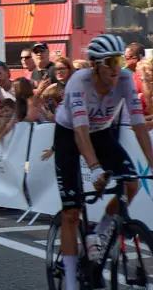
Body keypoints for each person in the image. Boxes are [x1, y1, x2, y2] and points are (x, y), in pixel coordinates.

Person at [53, 34, 153, 290]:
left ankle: (99, 232)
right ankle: (72, 281)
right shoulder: (79, 82)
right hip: (70, 133)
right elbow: (80, 132)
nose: (116, 67)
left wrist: (152, 163)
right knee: (72, 212)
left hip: (102, 133)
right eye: (110, 61)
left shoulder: (125, 81)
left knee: (131, 185)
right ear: (96, 65)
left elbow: (140, 125)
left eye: (119, 60)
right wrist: (95, 167)